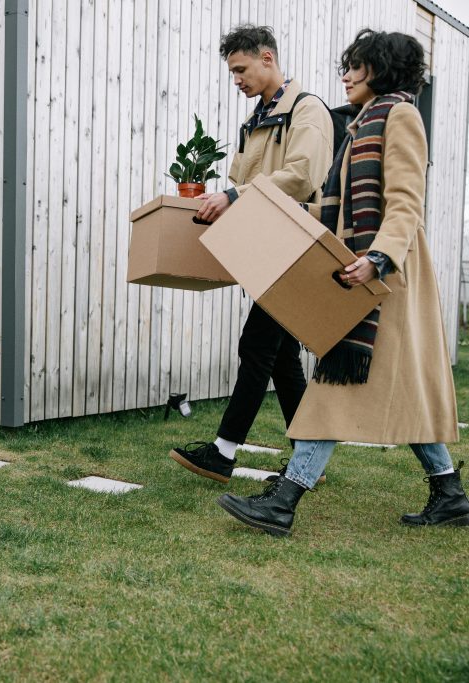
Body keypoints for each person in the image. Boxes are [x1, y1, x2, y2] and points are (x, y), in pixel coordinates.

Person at [217, 28, 469, 537]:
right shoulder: (359, 124)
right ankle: (450, 494)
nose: (346, 74)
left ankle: (285, 500)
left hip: (383, 277)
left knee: (336, 381)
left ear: (380, 70)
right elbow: (336, 207)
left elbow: (405, 202)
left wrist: (378, 258)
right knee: (397, 389)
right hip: (361, 268)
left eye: (356, 66)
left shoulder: (399, 117)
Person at [170, 25, 334, 483]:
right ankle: (309, 463)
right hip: (268, 248)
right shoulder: (257, 120)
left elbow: (302, 177)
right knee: (279, 359)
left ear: (267, 58)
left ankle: (223, 452)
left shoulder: (307, 111)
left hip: (300, 247)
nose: (236, 79)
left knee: (257, 346)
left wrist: (235, 195)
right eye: (232, 72)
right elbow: (243, 182)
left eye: (241, 69)